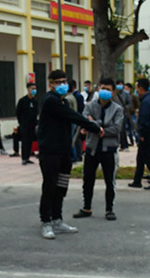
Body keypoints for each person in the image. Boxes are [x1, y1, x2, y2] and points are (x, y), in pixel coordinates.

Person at [36, 70, 104, 239]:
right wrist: (93, 126)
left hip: (64, 152)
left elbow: (70, 119)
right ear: (51, 84)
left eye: (64, 81)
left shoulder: (63, 101)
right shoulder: (50, 100)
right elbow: (73, 116)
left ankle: (57, 220)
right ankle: (46, 221)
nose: (63, 85)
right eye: (58, 82)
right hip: (50, 153)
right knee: (50, 187)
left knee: (61, 187)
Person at [73, 79, 125, 221]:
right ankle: (86, 207)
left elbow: (116, 129)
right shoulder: (89, 106)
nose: (105, 92)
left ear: (113, 92)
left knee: (109, 180)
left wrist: (95, 124)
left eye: (108, 89)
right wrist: (99, 126)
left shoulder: (118, 109)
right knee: (88, 179)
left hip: (108, 149)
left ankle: (109, 209)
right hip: (92, 148)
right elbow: (84, 121)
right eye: (103, 88)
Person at [128, 78, 150, 190]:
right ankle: (137, 181)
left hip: (147, 134)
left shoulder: (146, 102)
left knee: (149, 157)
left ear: (141, 89)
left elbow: (145, 119)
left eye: (137, 88)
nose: (136, 91)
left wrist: (141, 134)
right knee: (141, 158)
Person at [16, 83, 39, 165]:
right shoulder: (22, 101)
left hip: (32, 125)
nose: (34, 90)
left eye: (35, 89)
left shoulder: (35, 101)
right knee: (25, 141)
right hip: (24, 125)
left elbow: (36, 113)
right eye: (32, 88)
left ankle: (28, 157)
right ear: (28, 89)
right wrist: (21, 122)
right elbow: (18, 113)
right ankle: (24, 158)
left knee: (30, 141)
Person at [115, 81, 136, 150]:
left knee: (123, 130)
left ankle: (125, 145)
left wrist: (125, 108)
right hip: (115, 113)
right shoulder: (114, 93)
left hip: (123, 113)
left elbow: (130, 103)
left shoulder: (126, 94)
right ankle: (120, 144)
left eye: (121, 84)